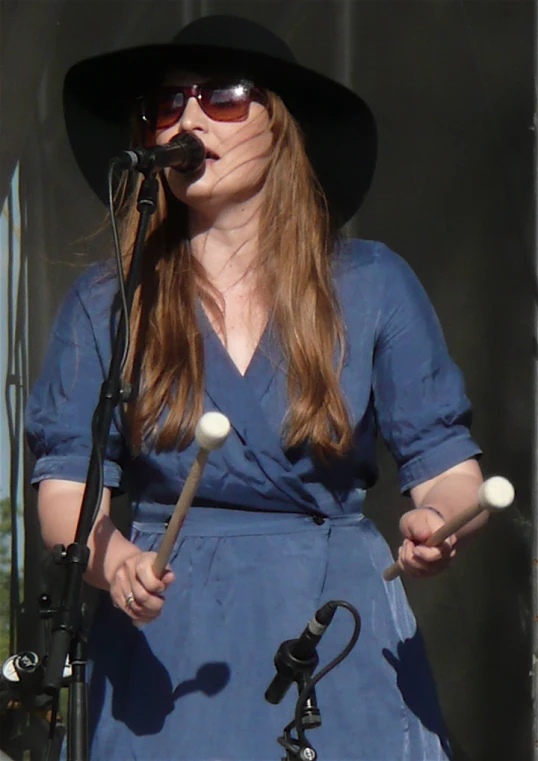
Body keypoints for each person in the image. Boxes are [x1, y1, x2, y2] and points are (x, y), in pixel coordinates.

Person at [26, 14, 486, 761]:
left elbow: (450, 469)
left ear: (282, 126)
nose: (192, 117)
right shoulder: (108, 301)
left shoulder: (373, 284)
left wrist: (442, 520)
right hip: (172, 646)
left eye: (226, 96)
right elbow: (64, 493)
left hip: (337, 632)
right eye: (168, 104)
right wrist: (116, 566)